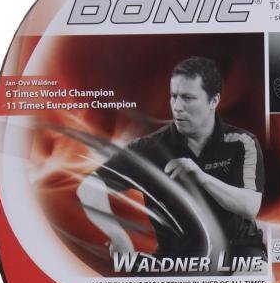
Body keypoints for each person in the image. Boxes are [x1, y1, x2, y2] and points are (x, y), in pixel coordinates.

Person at [77, 56, 266, 269]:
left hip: (238, 253)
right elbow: (89, 187)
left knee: (254, 280)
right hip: (176, 260)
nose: (177, 107)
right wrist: (117, 234)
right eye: (174, 96)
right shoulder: (148, 149)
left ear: (214, 101)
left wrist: (201, 177)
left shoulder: (241, 142)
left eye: (188, 98)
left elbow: (250, 207)